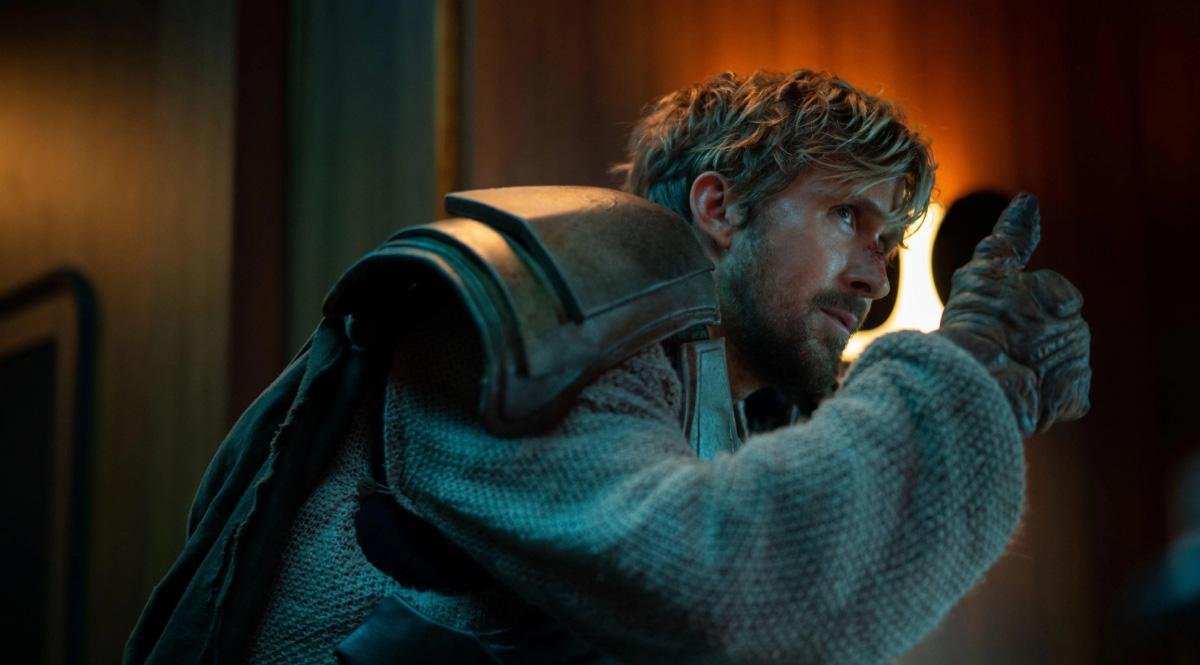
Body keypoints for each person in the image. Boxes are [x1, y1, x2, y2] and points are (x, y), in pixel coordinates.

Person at [126, 70, 1091, 664]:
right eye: (850, 216)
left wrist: (985, 398)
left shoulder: (727, 415)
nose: (877, 278)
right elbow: (715, 588)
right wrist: (953, 375)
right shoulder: (526, 331)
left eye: (888, 242)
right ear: (719, 208)